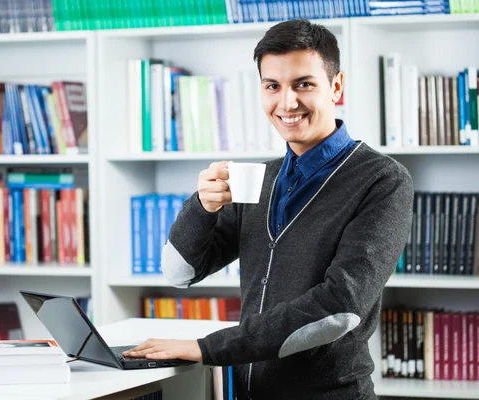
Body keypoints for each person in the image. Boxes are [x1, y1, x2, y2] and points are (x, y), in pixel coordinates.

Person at [123, 19, 414, 399]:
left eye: (303, 84)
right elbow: (179, 273)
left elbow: (340, 307)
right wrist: (202, 206)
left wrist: (207, 348)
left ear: (336, 87)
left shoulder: (382, 180)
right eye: (272, 86)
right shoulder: (260, 177)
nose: (286, 103)